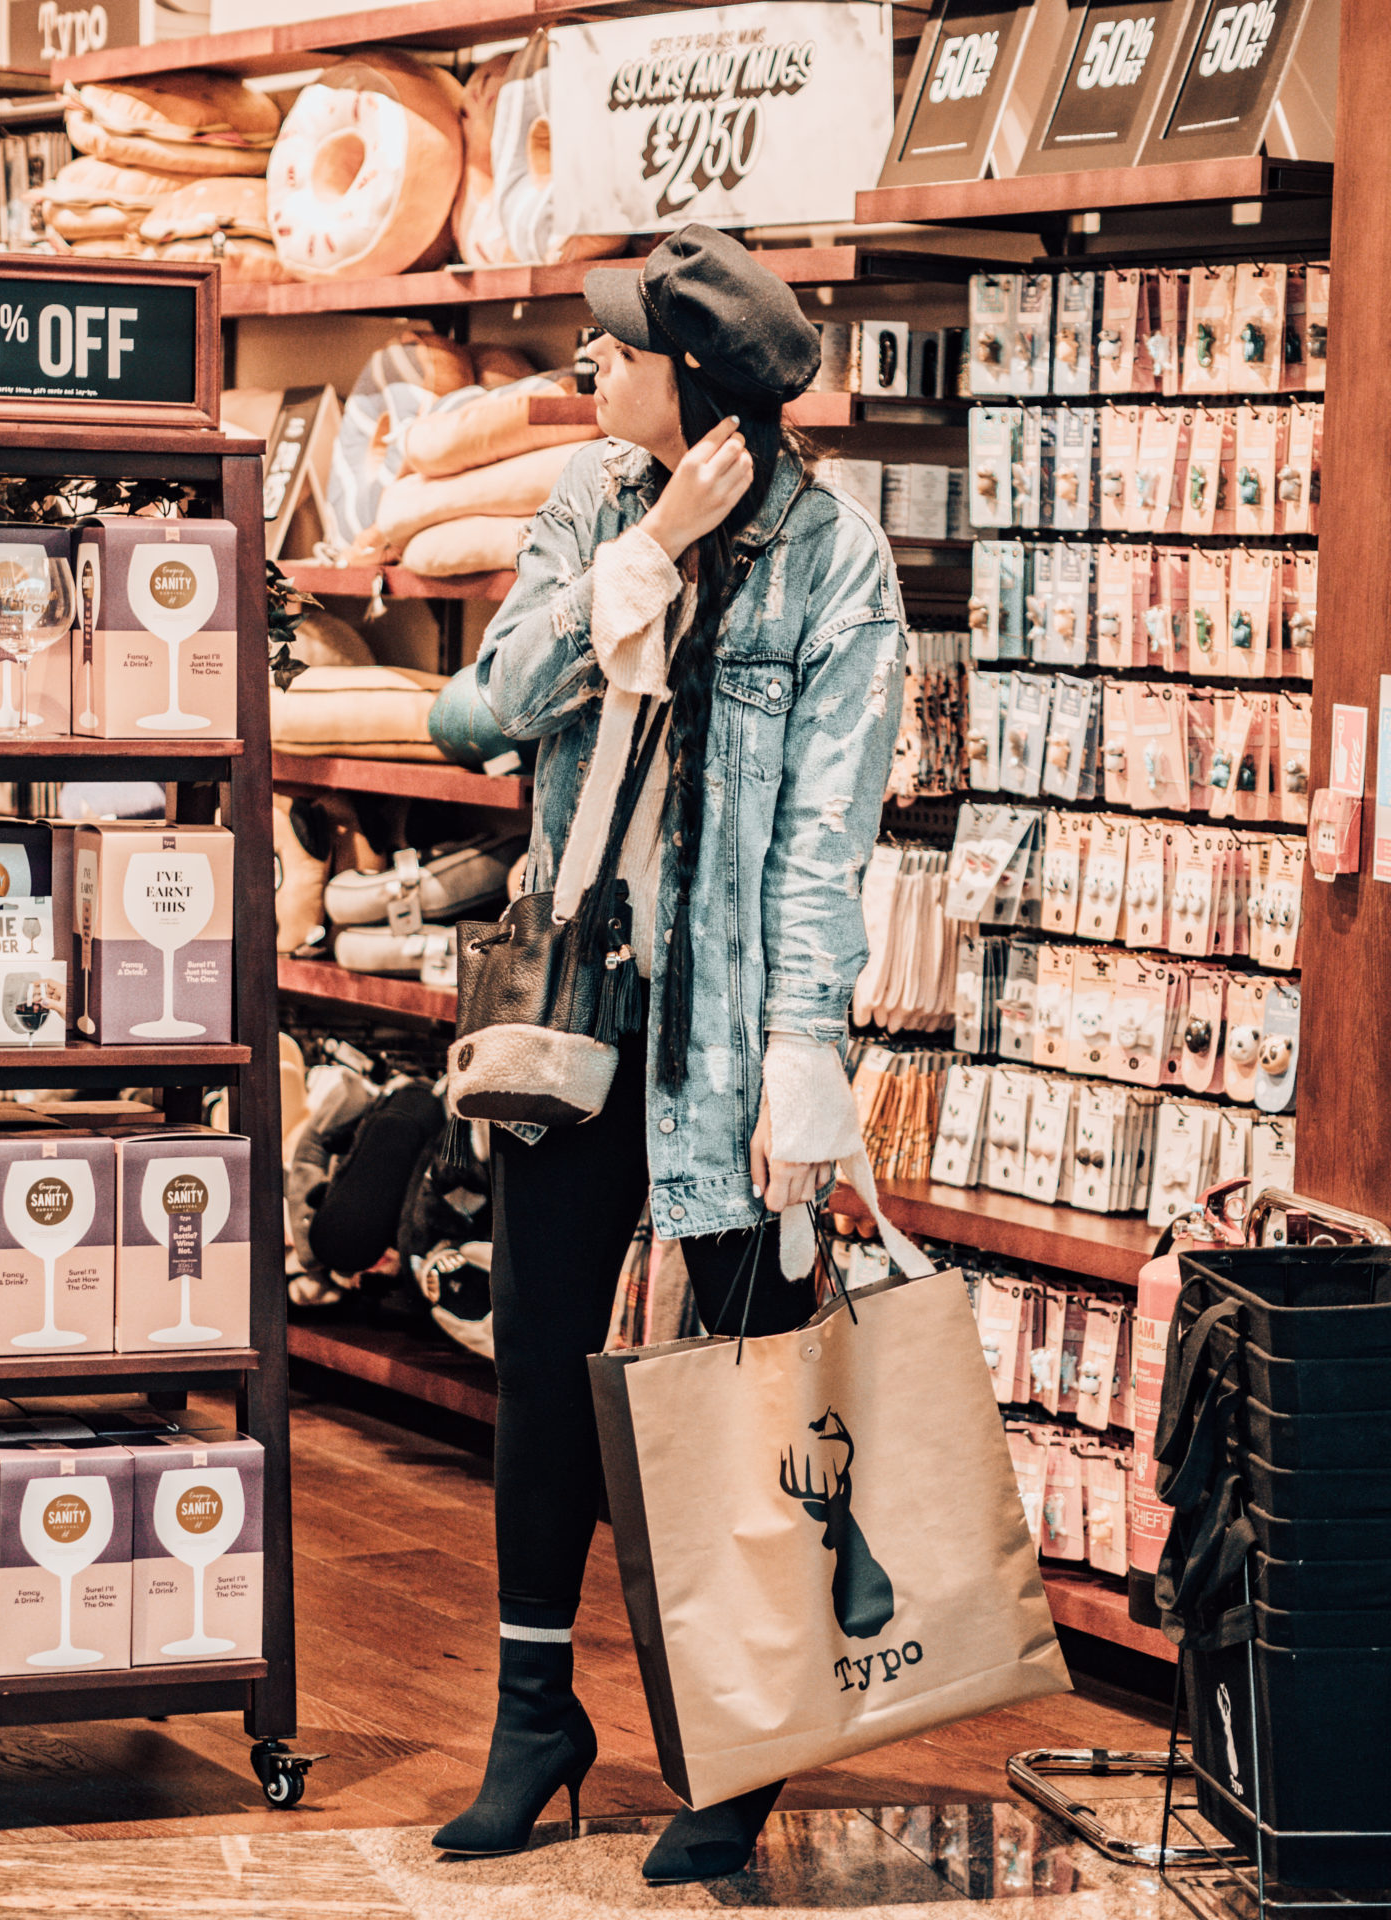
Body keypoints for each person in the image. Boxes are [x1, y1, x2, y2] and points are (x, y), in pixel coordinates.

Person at [433, 225, 923, 1885]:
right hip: (578, 1011)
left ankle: (738, 1742)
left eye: (616, 347)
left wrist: (806, 1051)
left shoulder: (840, 564)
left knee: (740, 1385)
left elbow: (820, 837)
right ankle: (532, 1722)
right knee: (545, 1366)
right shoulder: (589, 505)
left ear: (693, 380)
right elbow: (481, 712)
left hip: (730, 1040)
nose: (591, 368)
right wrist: (647, 544)